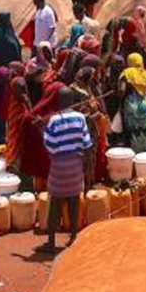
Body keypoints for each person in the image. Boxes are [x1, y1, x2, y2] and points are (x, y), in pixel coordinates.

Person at [41, 87, 92, 253]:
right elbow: (86, 143)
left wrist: (41, 129)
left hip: (59, 166)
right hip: (75, 164)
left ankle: (51, 241)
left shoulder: (54, 120)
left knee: (55, 203)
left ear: (58, 102)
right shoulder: (80, 118)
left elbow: (50, 145)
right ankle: (73, 236)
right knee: (74, 201)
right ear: (72, 101)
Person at [119, 53, 146, 153]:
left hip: (131, 104)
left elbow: (121, 90)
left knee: (132, 131)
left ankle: (133, 153)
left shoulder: (126, 72)